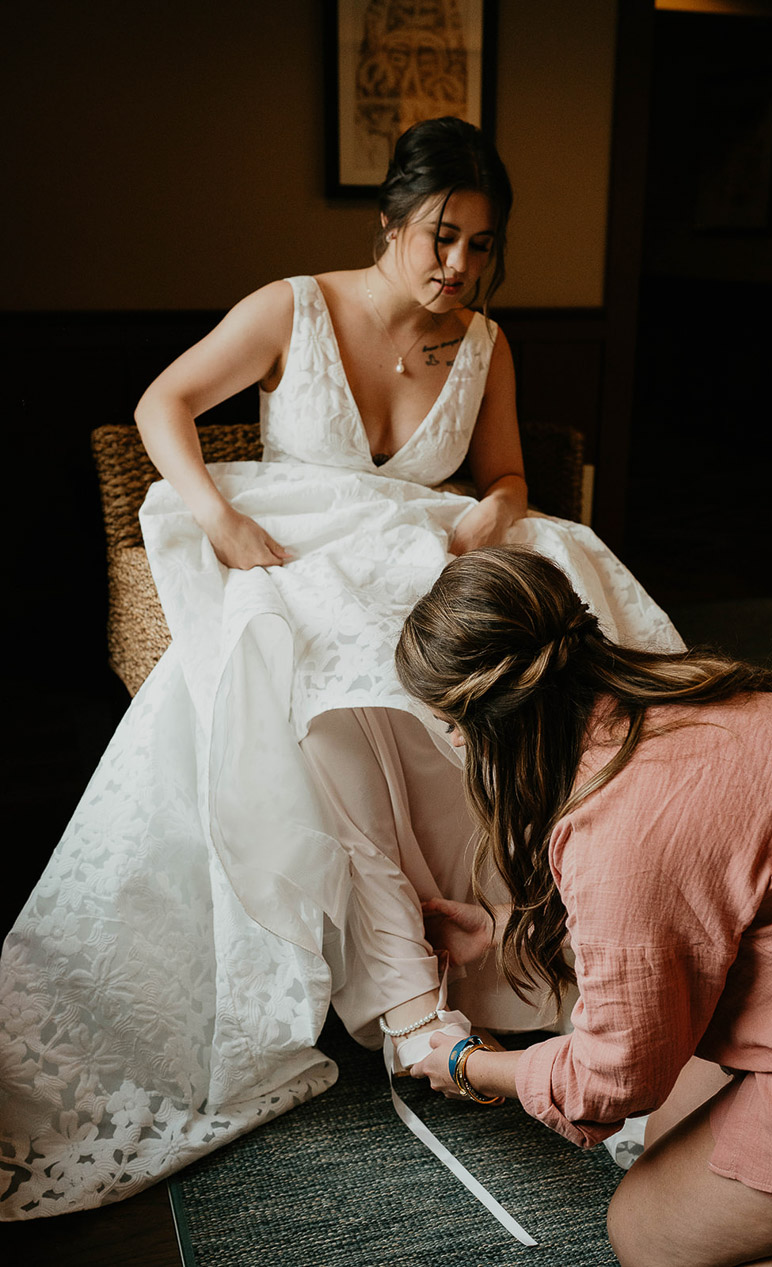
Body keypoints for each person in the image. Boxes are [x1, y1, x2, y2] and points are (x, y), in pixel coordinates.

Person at [0, 117, 683, 1220]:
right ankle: (406, 986)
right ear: (389, 226)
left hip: (424, 551)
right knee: (325, 677)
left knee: (542, 623)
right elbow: (160, 405)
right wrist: (217, 516)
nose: (457, 266)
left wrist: (483, 523)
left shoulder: (486, 342)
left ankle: (561, 930)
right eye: (438, 237)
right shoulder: (294, 305)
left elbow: (505, 476)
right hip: (300, 546)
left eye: (479, 245)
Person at [394, 544, 772, 1267]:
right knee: (670, 1130)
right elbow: (684, 921)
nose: (449, 741)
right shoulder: (722, 693)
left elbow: (613, 1078)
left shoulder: (616, 825)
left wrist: (466, 1061)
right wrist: (502, 929)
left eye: (449, 723)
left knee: (643, 1235)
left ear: (495, 721)